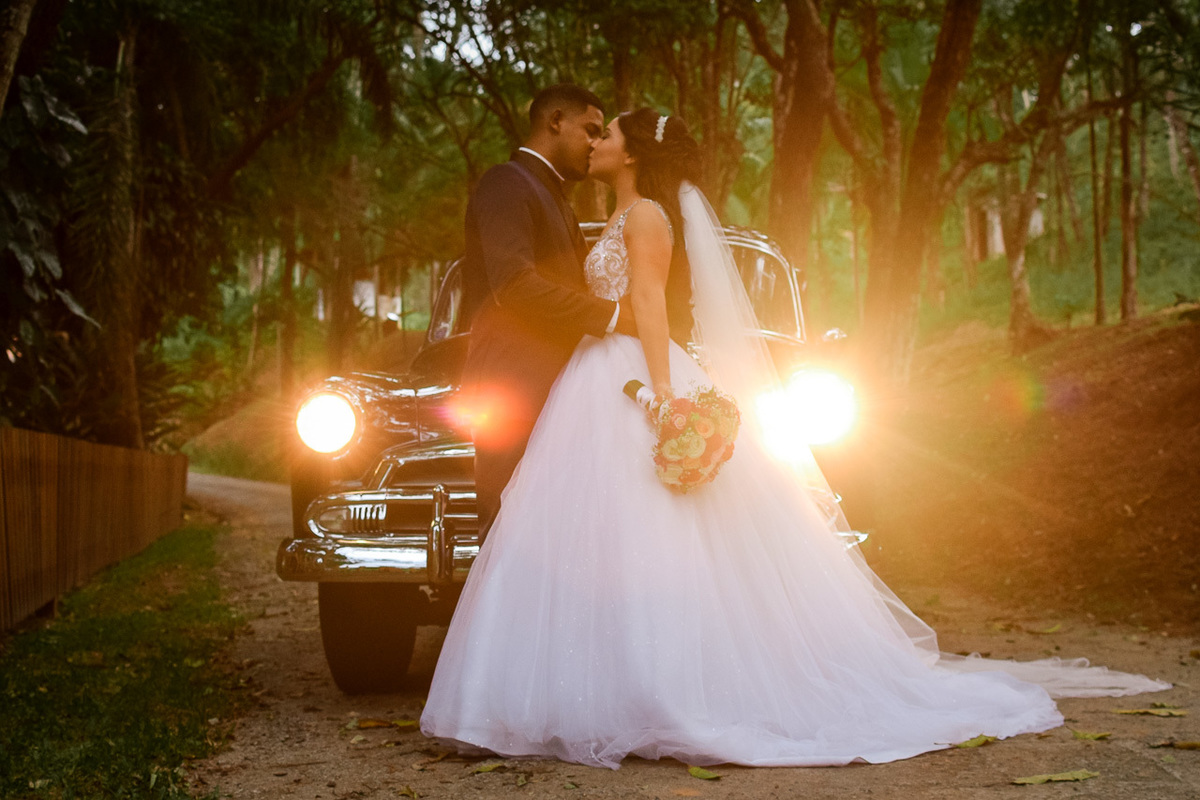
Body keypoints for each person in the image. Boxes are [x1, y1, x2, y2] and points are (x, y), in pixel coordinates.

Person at [421, 108, 1169, 769]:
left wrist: (662, 397)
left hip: (633, 374)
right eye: (595, 130)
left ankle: (652, 691)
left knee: (649, 536)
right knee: (597, 536)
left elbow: (650, 307)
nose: (597, 141)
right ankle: (591, 686)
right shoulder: (621, 212)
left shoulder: (646, 217)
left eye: (608, 132)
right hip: (597, 375)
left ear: (636, 152)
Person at [459, 84, 634, 537]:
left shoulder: (553, 195)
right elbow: (515, 285)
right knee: (508, 535)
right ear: (556, 121)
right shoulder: (506, 182)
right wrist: (615, 316)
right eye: (590, 130)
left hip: (558, 396)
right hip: (513, 396)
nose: (595, 144)